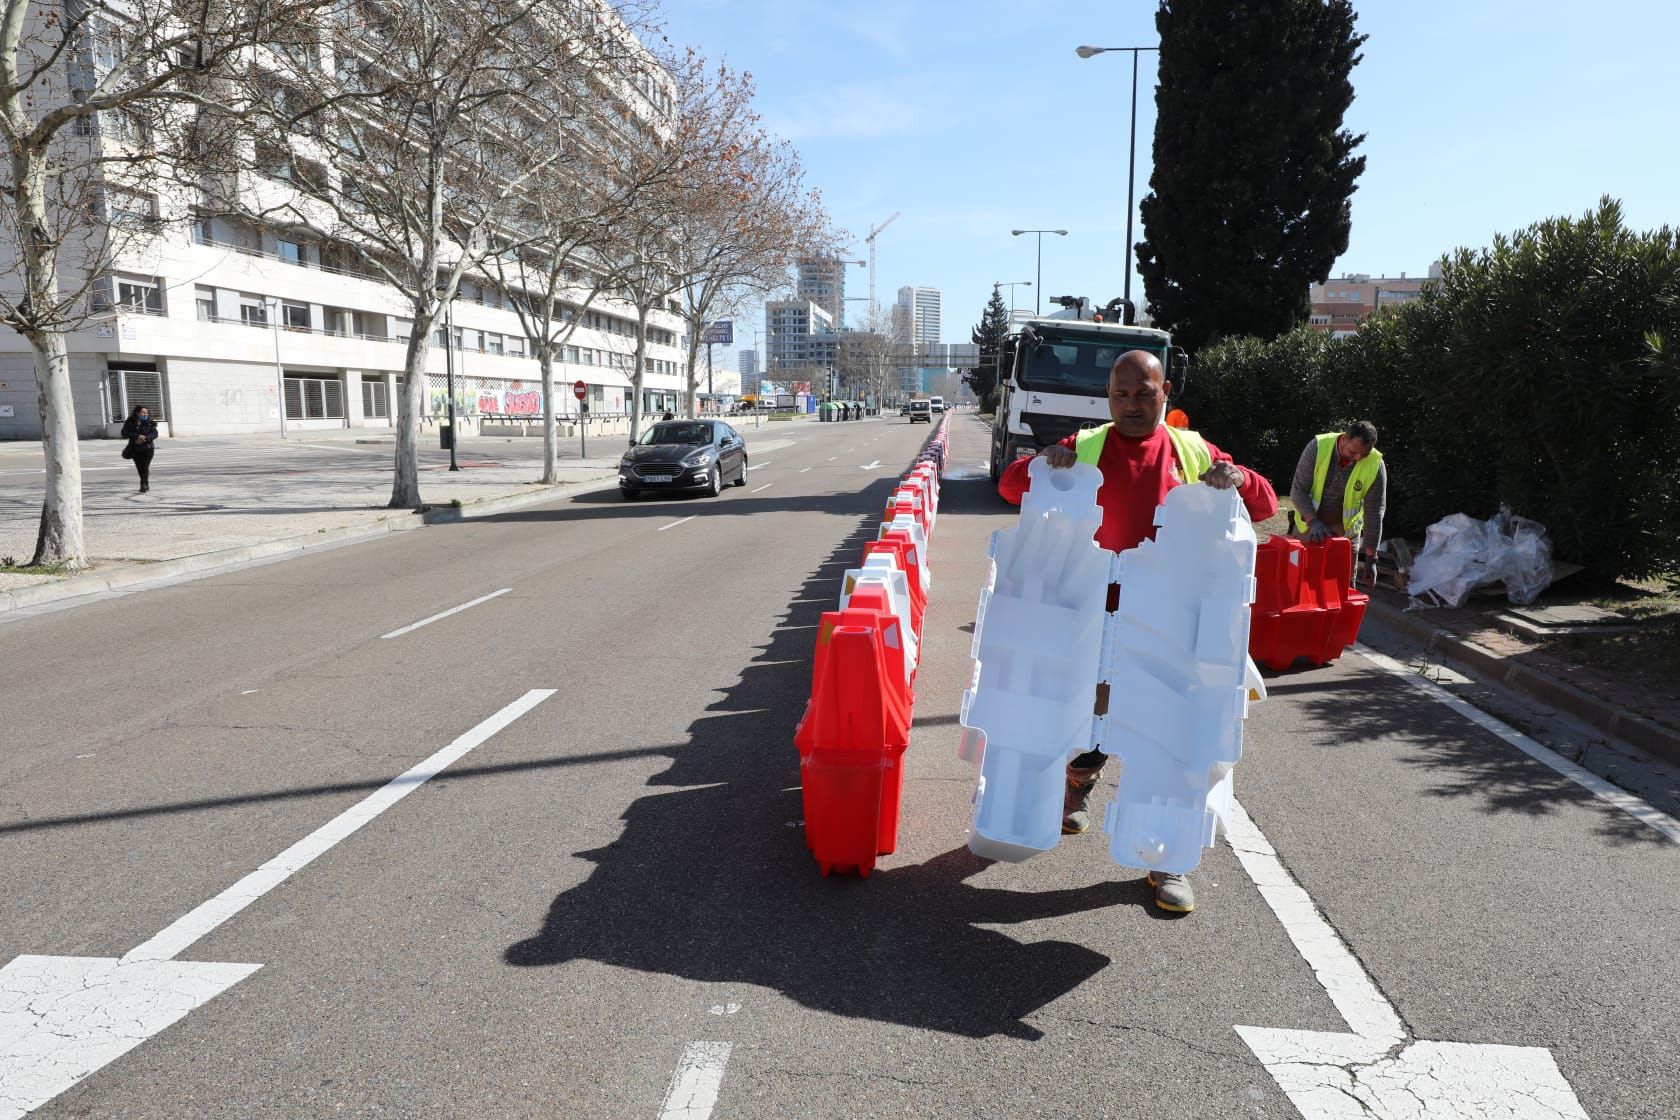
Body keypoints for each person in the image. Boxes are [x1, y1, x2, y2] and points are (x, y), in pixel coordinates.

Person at [998, 350, 1277, 914]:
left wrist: (1238, 477)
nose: (1131, 405)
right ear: (1108, 395)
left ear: (1164, 390)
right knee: (1093, 708)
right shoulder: (1088, 446)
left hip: (1170, 621)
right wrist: (1043, 465)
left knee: (1169, 734)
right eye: (1121, 395)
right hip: (1093, 613)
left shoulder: (1193, 451)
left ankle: (1167, 858)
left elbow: (1266, 503)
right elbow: (1010, 488)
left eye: (1144, 394)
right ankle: (1079, 779)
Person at [1289, 421, 1386, 584]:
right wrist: (1313, 521)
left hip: (1345, 530)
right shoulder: (1318, 447)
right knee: (1301, 579)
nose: (1358, 458)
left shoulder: (1376, 465)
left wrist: (1371, 558)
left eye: (1364, 454)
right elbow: (1298, 491)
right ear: (1344, 439)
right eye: (1353, 452)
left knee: (1343, 583)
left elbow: (1374, 512)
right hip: (1309, 523)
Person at [120, 405, 158, 493]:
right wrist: (137, 436)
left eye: (146, 412)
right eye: (143, 412)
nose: (145, 414)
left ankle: (143, 484)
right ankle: (146, 483)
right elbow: (124, 433)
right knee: (140, 467)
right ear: (137, 413)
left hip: (147, 448)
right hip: (134, 448)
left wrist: (145, 438)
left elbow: (154, 434)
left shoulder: (150, 422)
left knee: (144, 466)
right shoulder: (130, 422)